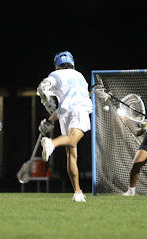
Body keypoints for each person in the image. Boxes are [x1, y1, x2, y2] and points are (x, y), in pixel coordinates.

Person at [37, 51, 93, 202]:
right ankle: (52, 143)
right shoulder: (79, 75)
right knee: (73, 140)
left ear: (57, 64)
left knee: (71, 153)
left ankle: (78, 192)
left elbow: (42, 88)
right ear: (72, 62)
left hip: (64, 115)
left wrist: (49, 118)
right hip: (79, 110)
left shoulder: (55, 75)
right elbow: (80, 97)